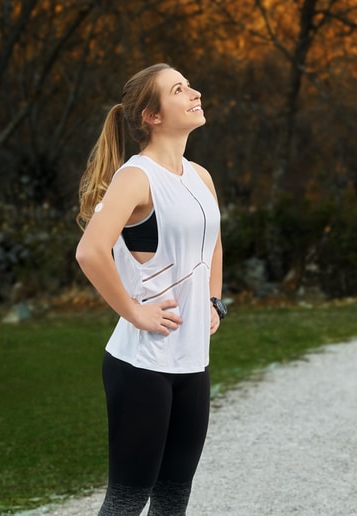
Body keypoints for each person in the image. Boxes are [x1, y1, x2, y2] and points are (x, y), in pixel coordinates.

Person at [75, 63, 226, 515]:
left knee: (173, 497)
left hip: (192, 360)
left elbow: (214, 242)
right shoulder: (136, 177)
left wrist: (215, 299)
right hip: (142, 363)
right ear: (152, 116)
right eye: (179, 89)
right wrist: (134, 312)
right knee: (127, 500)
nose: (194, 92)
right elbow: (90, 251)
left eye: (189, 84)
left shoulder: (200, 176)